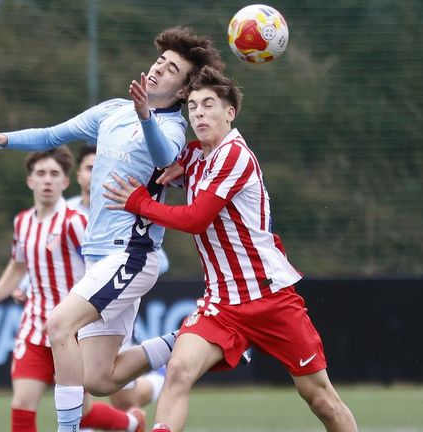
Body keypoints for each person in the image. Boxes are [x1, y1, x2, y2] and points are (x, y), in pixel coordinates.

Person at [0, 26, 224, 432]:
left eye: (171, 69)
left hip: (131, 254)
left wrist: (145, 116)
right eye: (159, 61)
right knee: (97, 379)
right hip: (100, 256)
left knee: (59, 324)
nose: (158, 69)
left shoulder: (171, 127)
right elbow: (51, 134)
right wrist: (1, 139)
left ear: (184, 90)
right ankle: (194, 340)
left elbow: (163, 155)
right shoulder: (112, 111)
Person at [103, 66, 359, 432]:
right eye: (192, 107)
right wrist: (147, 116)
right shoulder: (196, 156)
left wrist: (139, 202)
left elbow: (195, 219)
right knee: (178, 370)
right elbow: (170, 156)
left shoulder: (234, 155)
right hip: (221, 304)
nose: (199, 114)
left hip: (269, 297)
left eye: (209, 105)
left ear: (230, 112)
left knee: (319, 398)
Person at [0, 147, 145, 432]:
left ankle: (130, 423)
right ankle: (130, 422)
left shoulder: (74, 222)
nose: (47, 180)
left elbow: (99, 266)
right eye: (41, 174)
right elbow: (17, 268)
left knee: (83, 415)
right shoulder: (22, 222)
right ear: (30, 181)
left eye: (54, 174)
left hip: (71, 333)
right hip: (33, 329)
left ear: (65, 182)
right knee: (22, 406)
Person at [67, 145, 168, 412]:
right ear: (78, 175)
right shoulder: (65, 214)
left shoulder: (121, 211)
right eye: (88, 168)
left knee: (124, 401)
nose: (93, 174)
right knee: (90, 383)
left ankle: (158, 378)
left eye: (96, 167)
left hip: (109, 299)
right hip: (73, 300)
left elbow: (156, 258)